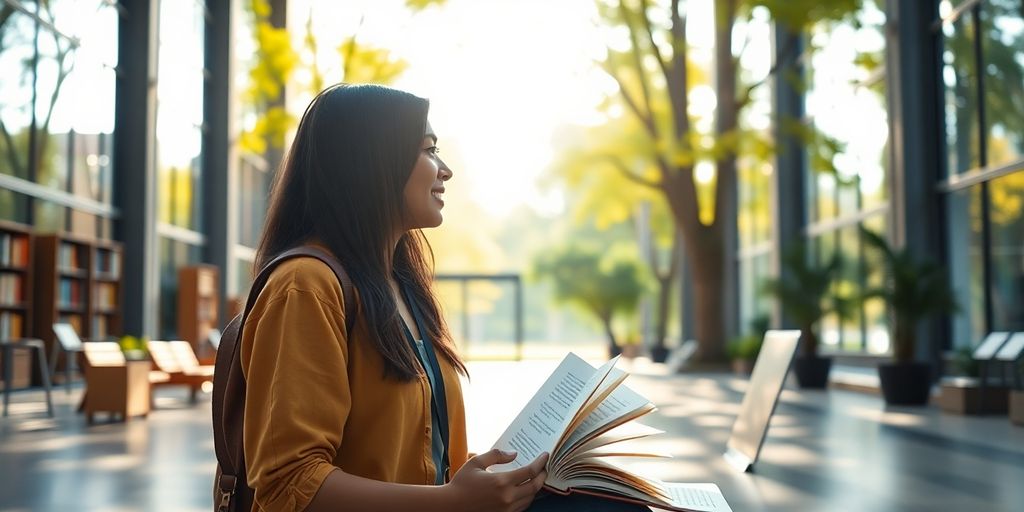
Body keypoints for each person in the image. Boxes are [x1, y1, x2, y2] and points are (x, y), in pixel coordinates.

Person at [242, 83, 649, 512]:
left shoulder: (400, 286)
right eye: (428, 150)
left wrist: (502, 479)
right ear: (371, 163)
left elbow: (427, 466)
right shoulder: (305, 286)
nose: (445, 170)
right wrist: (451, 501)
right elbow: (288, 485)